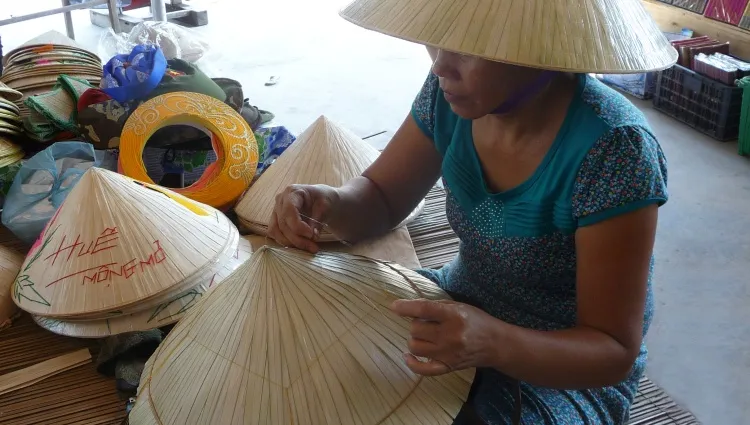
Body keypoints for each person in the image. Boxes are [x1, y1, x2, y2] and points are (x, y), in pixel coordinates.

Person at [268, 0, 678, 423]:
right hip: (456, 302)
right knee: (311, 351)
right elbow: (381, 197)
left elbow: (611, 351)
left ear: (539, 52)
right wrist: (330, 202)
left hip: (562, 367)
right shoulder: (449, 96)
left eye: (467, 49)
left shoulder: (614, 150)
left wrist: (493, 343)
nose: (441, 66)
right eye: (439, 41)